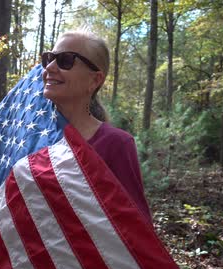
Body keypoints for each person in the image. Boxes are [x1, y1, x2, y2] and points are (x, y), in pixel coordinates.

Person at [41, 30, 152, 221]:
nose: (50, 67)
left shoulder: (116, 144)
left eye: (65, 60)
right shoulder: (33, 136)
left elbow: (136, 227)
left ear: (95, 80)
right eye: (49, 58)